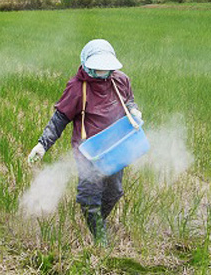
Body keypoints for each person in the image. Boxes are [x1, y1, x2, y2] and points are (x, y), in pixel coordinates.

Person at [27, 39, 142, 247]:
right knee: (90, 195)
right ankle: (101, 240)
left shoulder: (120, 80)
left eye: (106, 69)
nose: (102, 73)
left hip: (116, 147)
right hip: (89, 151)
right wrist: (42, 145)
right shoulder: (77, 88)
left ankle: (97, 221)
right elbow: (60, 118)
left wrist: (133, 109)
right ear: (87, 64)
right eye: (97, 68)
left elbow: (129, 100)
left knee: (114, 191)